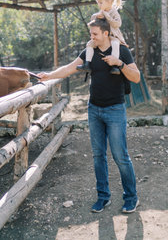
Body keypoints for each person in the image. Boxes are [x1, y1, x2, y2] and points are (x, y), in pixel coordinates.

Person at [38, 17, 140, 214]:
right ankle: (103, 197)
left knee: (121, 156)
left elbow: (135, 77)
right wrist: (49, 75)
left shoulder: (122, 51)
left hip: (115, 110)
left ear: (105, 34)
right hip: (94, 110)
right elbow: (69, 68)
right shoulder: (90, 51)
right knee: (97, 156)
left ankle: (131, 198)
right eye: (90, 34)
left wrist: (119, 63)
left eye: (94, 34)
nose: (91, 37)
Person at [77, 0, 127, 75]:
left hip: (113, 36)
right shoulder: (101, 12)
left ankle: (114, 66)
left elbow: (117, 24)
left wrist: (106, 16)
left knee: (115, 44)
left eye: (101, 2)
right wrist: (95, 16)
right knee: (90, 44)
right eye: (98, 3)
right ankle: (87, 64)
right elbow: (93, 24)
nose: (99, 5)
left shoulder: (113, 12)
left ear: (109, 2)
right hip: (103, 38)